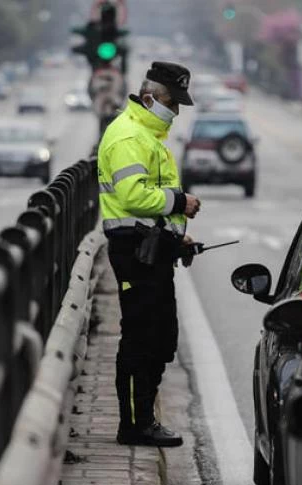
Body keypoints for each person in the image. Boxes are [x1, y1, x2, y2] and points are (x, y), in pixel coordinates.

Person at [97, 61, 201, 447]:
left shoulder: (148, 136)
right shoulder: (128, 137)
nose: (175, 113)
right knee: (140, 337)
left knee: (160, 337)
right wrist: (180, 201)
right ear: (149, 98)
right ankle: (135, 425)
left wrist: (178, 241)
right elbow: (133, 197)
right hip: (133, 253)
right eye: (172, 104)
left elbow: (150, 210)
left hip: (151, 251)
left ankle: (145, 420)